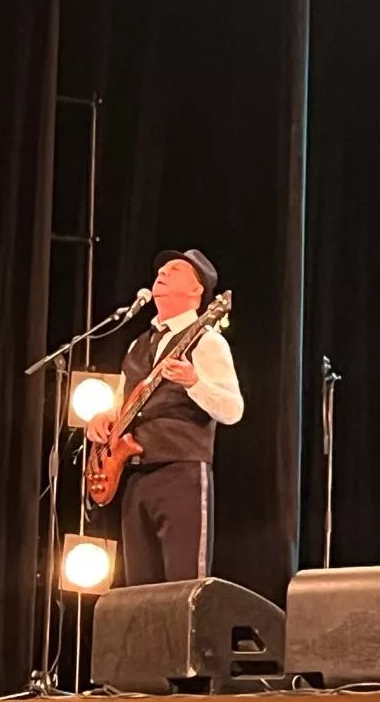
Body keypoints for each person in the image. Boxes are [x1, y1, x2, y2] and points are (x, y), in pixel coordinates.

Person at [86, 249, 244, 586]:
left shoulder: (207, 341)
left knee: (183, 587)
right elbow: (123, 404)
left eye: (174, 269)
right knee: (141, 592)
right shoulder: (137, 346)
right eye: (160, 268)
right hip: (136, 477)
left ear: (197, 290)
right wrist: (104, 419)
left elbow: (232, 410)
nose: (162, 272)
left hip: (181, 472)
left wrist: (193, 382)